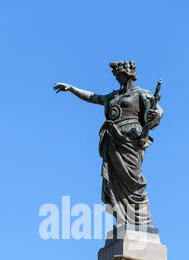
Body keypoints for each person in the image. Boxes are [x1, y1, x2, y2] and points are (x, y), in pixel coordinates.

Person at [54, 61, 163, 229]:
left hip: (131, 141)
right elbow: (92, 97)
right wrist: (72, 88)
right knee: (114, 181)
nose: (117, 78)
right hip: (113, 140)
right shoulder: (113, 97)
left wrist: (154, 114)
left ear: (128, 75)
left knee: (133, 179)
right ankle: (123, 219)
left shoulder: (141, 94)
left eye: (119, 75)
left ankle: (141, 220)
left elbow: (157, 112)